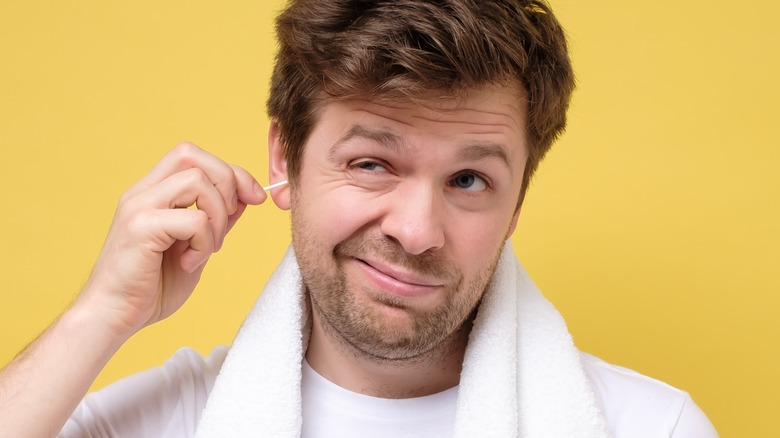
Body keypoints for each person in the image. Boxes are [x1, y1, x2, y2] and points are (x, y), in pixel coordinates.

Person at [0, 0, 718, 437]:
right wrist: (97, 315)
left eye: (469, 179)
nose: (415, 230)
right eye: (373, 162)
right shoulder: (173, 422)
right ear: (285, 157)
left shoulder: (654, 429)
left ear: (516, 207)